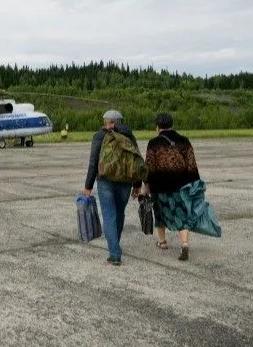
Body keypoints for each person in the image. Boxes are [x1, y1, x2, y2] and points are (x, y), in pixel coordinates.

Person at [82, 110, 142, 265]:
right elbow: (136, 162)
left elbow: (93, 162)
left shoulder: (100, 136)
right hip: (125, 182)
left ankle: (114, 253)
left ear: (109, 122)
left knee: (109, 215)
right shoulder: (130, 136)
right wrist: (137, 185)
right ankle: (115, 244)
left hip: (105, 181)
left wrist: (88, 186)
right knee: (119, 213)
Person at [143, 113, 201, 261]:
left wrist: (146, 185)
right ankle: (184, 243)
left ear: (157, 127)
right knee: (181, 213)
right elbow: (192, 165)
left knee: (160, 213)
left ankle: (162, 242)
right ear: (172, 125)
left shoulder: (153, 143)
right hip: (180, 185)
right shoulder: (184, 141)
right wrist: (195, 183)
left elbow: (148, 167)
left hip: (159, 185)